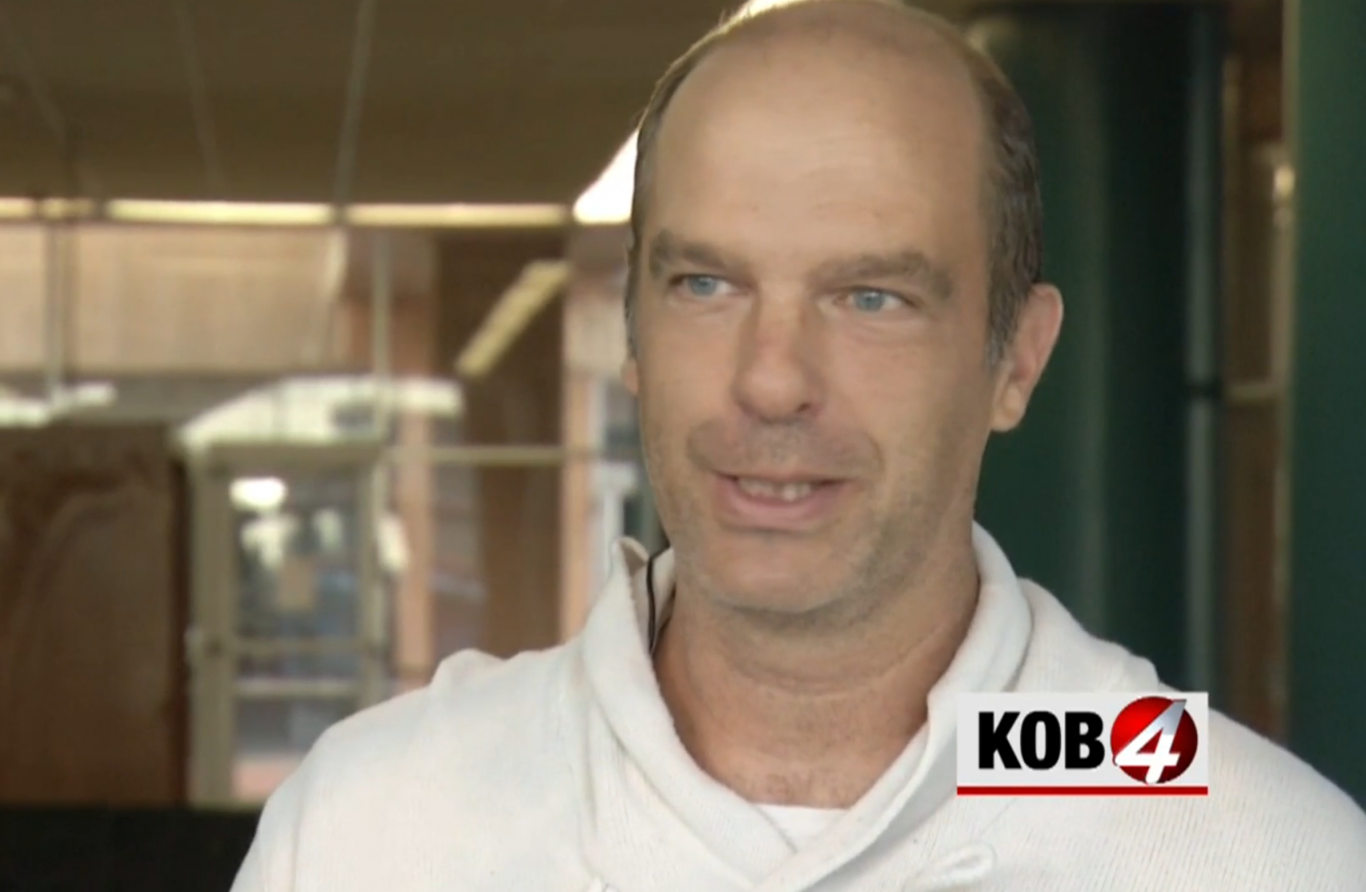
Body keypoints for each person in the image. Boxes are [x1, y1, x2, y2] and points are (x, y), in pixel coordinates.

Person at [230, 1, 1366, 889]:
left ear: (1016, 362)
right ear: (634, 331)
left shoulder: (1256, 853)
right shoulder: (371, 830)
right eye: (705, 284)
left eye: (872, 297)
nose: (771, 379)